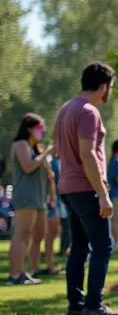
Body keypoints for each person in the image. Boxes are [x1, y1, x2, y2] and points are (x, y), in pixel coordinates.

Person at [53, 62, 118, 315]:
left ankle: (75, 306)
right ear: (103, 86)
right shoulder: (89, 111)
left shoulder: (65, 110)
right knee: (103, 246)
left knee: (79, 247)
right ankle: (94, 304)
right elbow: (88, 154)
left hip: (68, 188)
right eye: (110, 87)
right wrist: (102, 193)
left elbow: (60, 151)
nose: (109, 92)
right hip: (86, 187)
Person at [6, 113, 53, 285]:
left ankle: (24, 271)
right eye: (39, 128)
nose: (43, 131)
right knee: (22, 234)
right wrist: (47, 152)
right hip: (25, 197)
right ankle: (15, 274)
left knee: (36, 235)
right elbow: (28, 167)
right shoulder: (20, 144)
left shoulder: (36, 148)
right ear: (29, 129)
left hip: (38, 197)